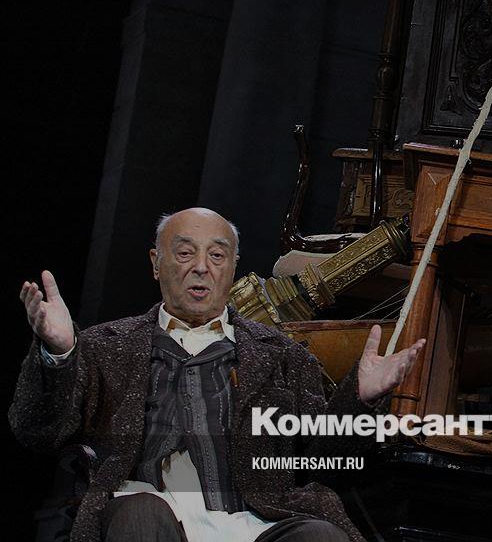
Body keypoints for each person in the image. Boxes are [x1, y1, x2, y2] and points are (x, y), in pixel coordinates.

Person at [10, 207, 425, 542]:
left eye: (217, 255)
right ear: (156, 263)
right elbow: (36, 432)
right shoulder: (105, 345)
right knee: (140, 513)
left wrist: (360, 399)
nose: (201, 267)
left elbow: (322, 462)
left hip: (253, 519)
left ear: (233, 266)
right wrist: (59, 354)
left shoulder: (283, 355)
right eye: (184, 253)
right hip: (147, 507)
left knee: (320, 535)